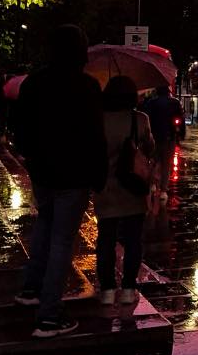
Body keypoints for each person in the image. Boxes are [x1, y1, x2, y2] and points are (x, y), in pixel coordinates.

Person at [13, 25, 107, 338]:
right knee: (62, 240)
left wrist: (29, 156)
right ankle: (49, 316)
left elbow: (21, 126)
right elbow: (95, 135)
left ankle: (31, 289)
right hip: (74, 173)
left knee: (45, 224)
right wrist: (98, 174)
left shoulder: (34, 83)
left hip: (43, 170)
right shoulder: (87, 86)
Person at [93, 75, 155, 306]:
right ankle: (129, 287)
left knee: (105, 239)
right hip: (132, 188)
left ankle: (108, 289)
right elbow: (149, 149)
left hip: (105, 188)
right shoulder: (139, 119)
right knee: (133, 239)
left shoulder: (97, 119)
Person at [141, 81, 184, 199]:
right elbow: (180, 120)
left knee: (153, 161)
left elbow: (147, 119)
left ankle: (153, 184)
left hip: (154, 136)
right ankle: (164, 190)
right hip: (169, 137)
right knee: (166, 163)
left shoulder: (151, 102)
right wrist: (179, 134)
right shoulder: (175, 103)